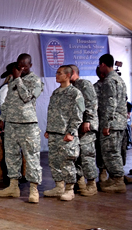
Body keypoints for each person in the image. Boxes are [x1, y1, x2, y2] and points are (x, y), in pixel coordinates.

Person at [0, 53, 43, 203]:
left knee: (31, 156)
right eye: (19, 65)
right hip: (11, 124)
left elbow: (27, 97)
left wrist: (17, 79)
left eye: (24, 65)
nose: (21, 68)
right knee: (11, 156)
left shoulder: (36, 81)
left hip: (27, 125)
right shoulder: (13, 81)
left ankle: (34, 189)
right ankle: (13, 187)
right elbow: (8, 101)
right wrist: (2, 119)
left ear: (30, 65)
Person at [43, 65, 84, 201]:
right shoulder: (55, 93)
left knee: (67, 162)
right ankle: (59, 187)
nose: (56, 75)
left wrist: (71, 132)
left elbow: (78, 115)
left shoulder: (75, 93)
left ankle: (69, 189)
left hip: (66, 134)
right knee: (54, 161)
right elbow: (52, 113)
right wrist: (49, 129)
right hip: (54, 133)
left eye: (59, 73)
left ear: (67, 75)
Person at [97, 53, 128, 193]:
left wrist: (107, 124)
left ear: (103, 64)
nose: (99, 68)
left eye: (99, 65)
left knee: (110, 152)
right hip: (120, 122)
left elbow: (111, 103)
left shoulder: (109, 81)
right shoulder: (119, 79)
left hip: (112, 123)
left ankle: (118, 181)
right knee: (114, 151)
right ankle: (114, 179)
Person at [69, 64, 99, 196]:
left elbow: (91, 103)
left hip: (86, 126)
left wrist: (88, 120)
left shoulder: (84, 84)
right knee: (77, 156)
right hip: (76, 127)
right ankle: (80, 183)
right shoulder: (71, 87)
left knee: (87, 155)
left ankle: (92, 184)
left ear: (73, 72)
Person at [93, 67, 107, 182]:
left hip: (113, 121)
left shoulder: (113, 84)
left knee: (117, 150)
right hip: (100, 122)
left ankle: (117, 174)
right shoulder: (95, 87)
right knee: (101, 148)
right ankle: (102, 171)